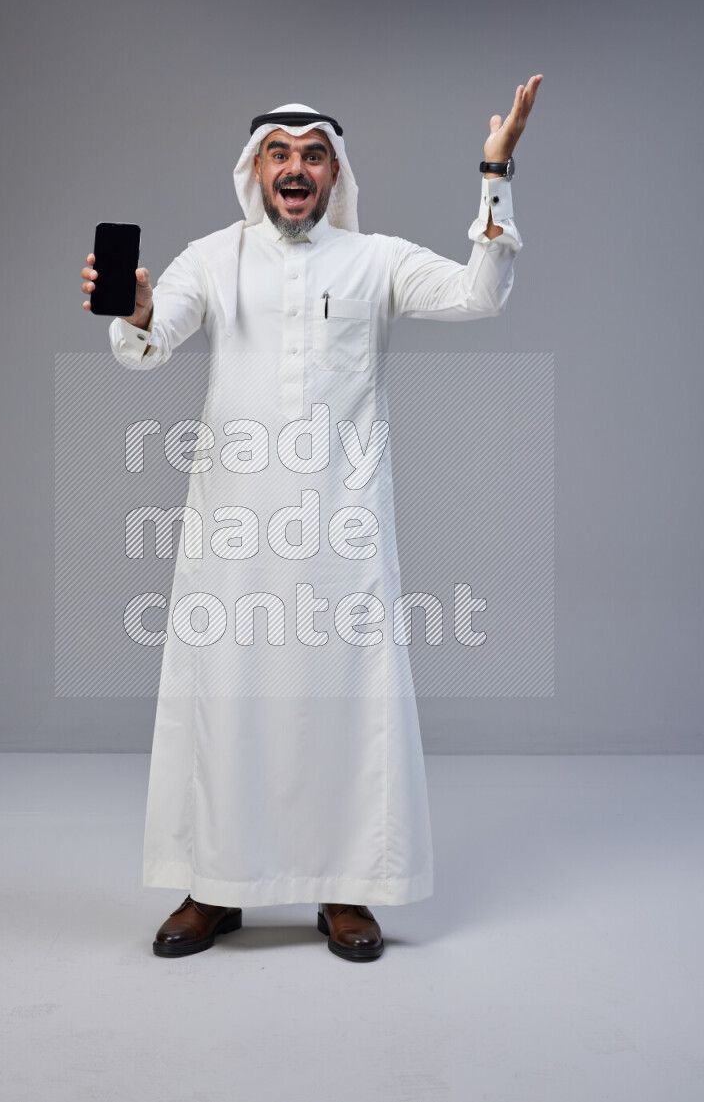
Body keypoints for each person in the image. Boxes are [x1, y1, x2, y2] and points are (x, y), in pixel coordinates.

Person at [81, 80, 543, 963]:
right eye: (279, 154)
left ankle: (345, 890)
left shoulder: (375, 262)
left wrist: (496, 170)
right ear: (254, 169)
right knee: (229, 698)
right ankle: (216, 887)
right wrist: (134, 309)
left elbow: (480, 293)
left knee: (344, 702)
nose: (295, 170)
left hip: (343, 532)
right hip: (236, 533)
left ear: (335, 171)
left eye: (313, 154)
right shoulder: (213, 258)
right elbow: (151, 339)